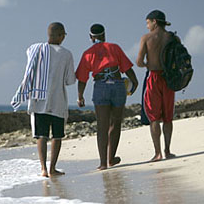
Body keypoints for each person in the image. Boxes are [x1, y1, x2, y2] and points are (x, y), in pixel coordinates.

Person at [11, 22, 76, 177]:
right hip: (57, 101)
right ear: (61, 36)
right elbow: (69, 80)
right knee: (57, 136)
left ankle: (43, 169)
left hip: (38, 100)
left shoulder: (34, 49)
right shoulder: (66, 54)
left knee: (41, 135)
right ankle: (53, 168)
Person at [76, 23, 138, 170]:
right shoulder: (114, 48)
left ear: (91, 37)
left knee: (102, 126)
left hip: (101, 86)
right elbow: (127, 68)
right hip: (117, 85)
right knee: (115, 123)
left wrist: (80, 96)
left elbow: (82, 78)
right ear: (104, 35)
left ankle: (103, 163)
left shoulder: (88, 53)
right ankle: (111, 158)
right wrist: (134, 83)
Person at [136, 9, 179, 162]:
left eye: (148, 23)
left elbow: (139, 61)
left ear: (154, 21)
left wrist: (148, 64)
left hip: (153, 77)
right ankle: (168, 151)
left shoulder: (147, 38)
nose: (147, 26)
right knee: (168, 117)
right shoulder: (173, 38)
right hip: (169, 79)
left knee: (154, 117)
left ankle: (158, 153)